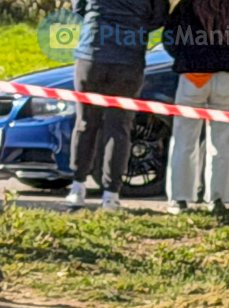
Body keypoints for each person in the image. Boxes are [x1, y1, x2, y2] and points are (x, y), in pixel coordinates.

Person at [64, 0, 169, 211]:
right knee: (119, 127)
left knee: (85, 122)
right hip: (129, 59)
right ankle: (111, 194)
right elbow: (159, 17)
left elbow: (79, 9)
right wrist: (135, 26)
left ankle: (78, 187)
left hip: (92, 52)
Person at [163, 0, 229, 212]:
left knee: (184, 140)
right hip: (224, 78)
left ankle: (179, 198)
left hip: (193, 77)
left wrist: (186, 57)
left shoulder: (187, 7)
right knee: (222, 142)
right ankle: (217, 198)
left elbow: (170, 38)